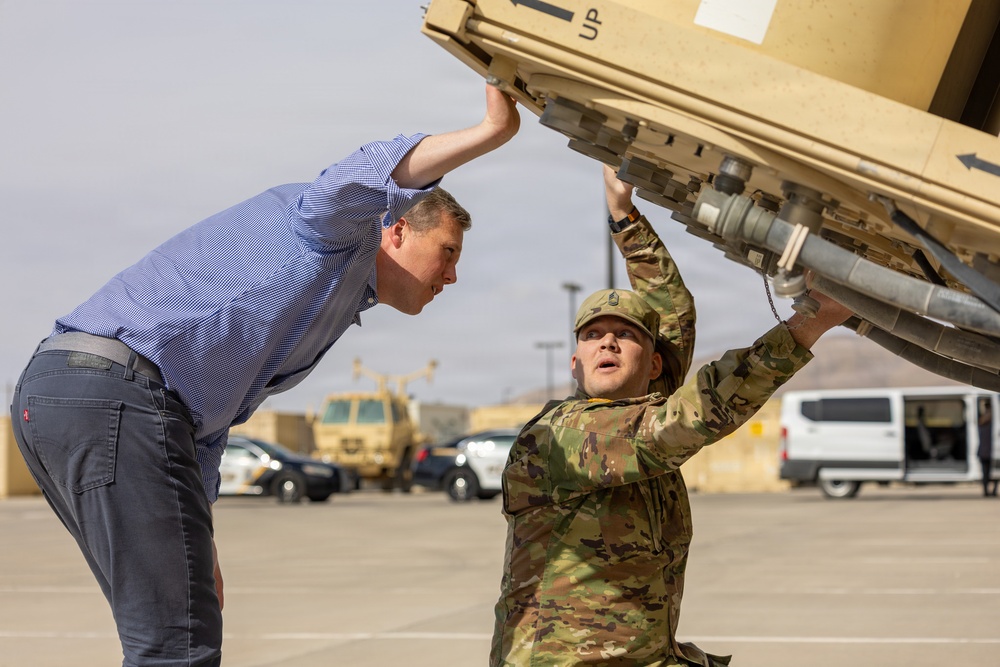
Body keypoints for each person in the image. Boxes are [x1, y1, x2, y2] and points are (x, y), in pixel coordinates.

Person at [9, 84, 519, 666]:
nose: (452, 275)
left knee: (164, 632)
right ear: (396, 229)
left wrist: (199, 542)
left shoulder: (334, 304)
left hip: (63, 394)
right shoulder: (337, 233)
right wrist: (490, 134)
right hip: (113, 393)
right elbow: (353, 180)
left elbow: (206, 425)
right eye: (448, 252)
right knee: (174, 647)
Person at [491, 166, 853, 666]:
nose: (609, 341)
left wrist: (624, 215)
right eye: (594, 336)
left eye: (627, 335)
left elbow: (673, 313)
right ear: (575, 364)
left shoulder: (645, 404)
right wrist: (809, 323)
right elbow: (677, 423)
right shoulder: (560, 436)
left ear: (656, 364)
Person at [978, 398, 997, 497]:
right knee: (991, 473)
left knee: (988, 473)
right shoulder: (990, 423)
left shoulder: (982, 423)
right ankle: (989, 491)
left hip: (984, 452)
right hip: (988, 452)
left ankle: (987, 491)